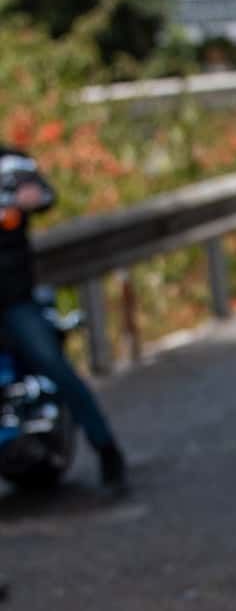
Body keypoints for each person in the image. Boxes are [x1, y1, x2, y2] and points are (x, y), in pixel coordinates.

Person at [0, 146, 126, 489]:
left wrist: (25, 196)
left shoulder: (10, 162)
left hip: (12, 301)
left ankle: (107, 450)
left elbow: (41, 193)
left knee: (53, 364)